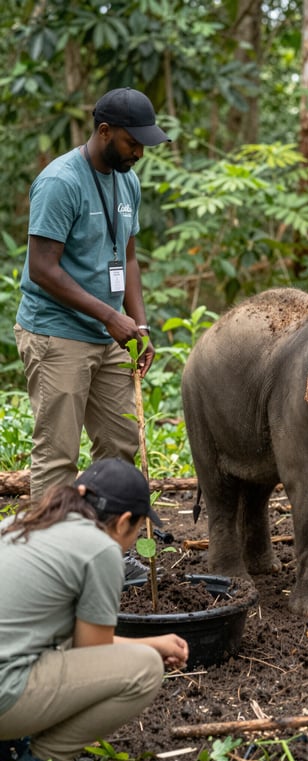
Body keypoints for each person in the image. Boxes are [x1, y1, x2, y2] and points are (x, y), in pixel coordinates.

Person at [15, 87, 168, 502]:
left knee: (121, 446)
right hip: (58, 334)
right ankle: (52, 555)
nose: (139, 153)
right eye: (132, 143)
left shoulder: (128, 181)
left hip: (111, 336)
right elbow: (43, 269)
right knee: (58, 454)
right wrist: (109, 316)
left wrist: (138, 325)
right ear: (104, 132)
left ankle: (109, 547)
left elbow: (129, 259)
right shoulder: (60, 182)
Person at [0, 457, 189, 761]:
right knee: (144, 669)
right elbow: (92, 650)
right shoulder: (100, 548)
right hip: (6, 693)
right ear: (124, 520)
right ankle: (43, 760)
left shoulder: (22, 521)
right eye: (139, 528)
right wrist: (154, 645)